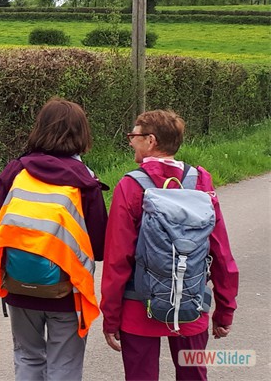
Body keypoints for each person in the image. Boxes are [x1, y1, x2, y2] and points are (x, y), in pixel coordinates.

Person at [101, 109, 239, 381]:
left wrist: (111, 317)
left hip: (138, 306)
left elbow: (118, 259)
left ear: (150, 141)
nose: (131, 141)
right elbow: (220, 250)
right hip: (191, 303)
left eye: (134, 136)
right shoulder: (201, 181)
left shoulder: (130, 186)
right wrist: (225, 308)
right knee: (193, 374)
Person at [0, 98, 108, 381]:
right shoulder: (85, 180)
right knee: (64, 365)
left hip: (18, 285)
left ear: (40, 129)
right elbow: (99, 247)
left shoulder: (15, 171)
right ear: (81, 134)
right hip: (66, 289)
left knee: (27, 357)